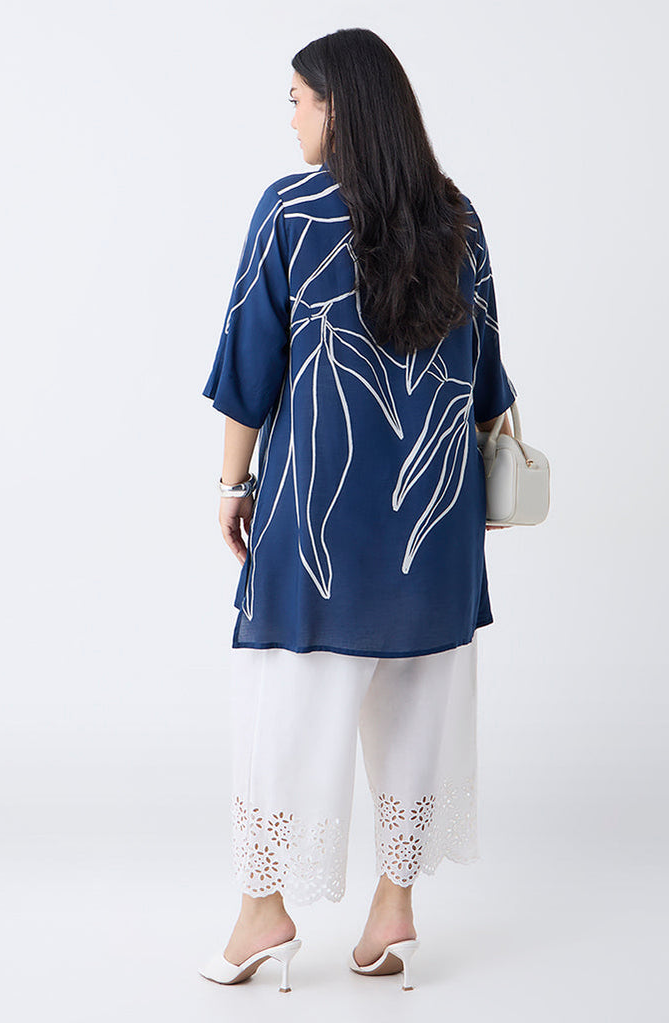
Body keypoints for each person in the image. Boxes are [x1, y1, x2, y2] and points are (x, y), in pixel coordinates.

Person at [198, 27, 517, 993]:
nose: (291, 117)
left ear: (338, 106)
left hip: (318, 516)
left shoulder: (291, 209)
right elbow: (487, 370)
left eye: (298, 98)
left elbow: (249, 365)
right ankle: (393, 908)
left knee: (286, 701)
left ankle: (263, 911)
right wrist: (485, 484)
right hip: (436, 511)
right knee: (417, 696)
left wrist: (231, 487)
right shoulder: (454, 214)